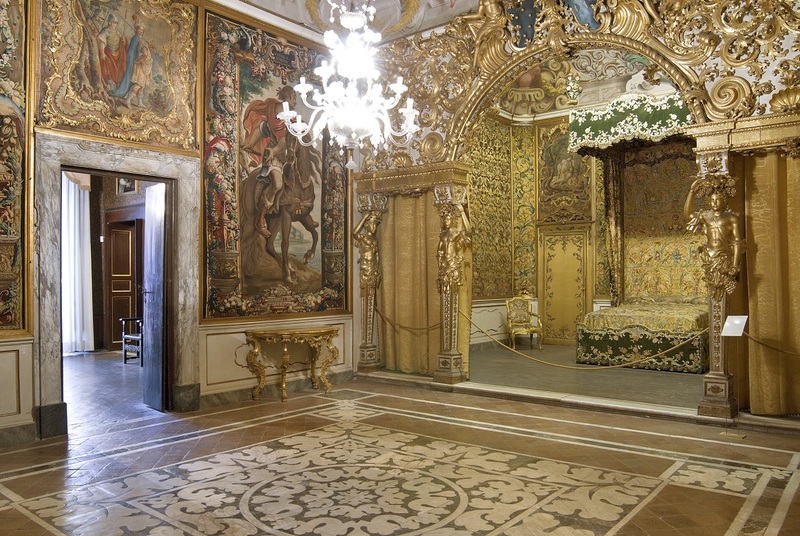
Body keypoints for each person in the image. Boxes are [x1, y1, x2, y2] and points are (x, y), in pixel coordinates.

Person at [683, 179, 744, 297]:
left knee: (724, 290)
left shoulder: (731, 217)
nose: (715, 203)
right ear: (709, 202)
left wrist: (735, 264)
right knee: (713, 288)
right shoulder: (705, 216)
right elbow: (688, 215)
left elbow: (737, 242)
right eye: (712, 200)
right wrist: (692, 192)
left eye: (717, 200)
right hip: (710, 257)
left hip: (724, 257)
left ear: (723, 200)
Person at [437, 203, 471, 293]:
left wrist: (462, 212)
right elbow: (439, 251)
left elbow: (468, 231)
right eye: (445, 220)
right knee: (444, 290)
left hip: (453, 263)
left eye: (448, 219)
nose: (446, 221)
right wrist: (439, 263)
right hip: (444, 264)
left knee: (454, 290)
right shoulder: (443, 234)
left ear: (452, 220)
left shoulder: (457, 232)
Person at [97, 15, 127, 91]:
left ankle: (117, 83)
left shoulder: (117, 31)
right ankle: (108, 83)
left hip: (117, 54)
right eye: (113, 22)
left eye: (116, 23)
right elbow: (101, 41)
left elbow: (121, 40)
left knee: (117, 69)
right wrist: (102, 52)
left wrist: (123, 40)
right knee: (108, 68)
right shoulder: (105, 31)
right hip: (108, 53)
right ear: (109, 22)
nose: (115, 24)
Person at [354, 211, 381, 288]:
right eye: (372, 224)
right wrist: (364, 218)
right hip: (365, 266)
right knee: (365, 290)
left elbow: (377, 254)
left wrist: (376, 267)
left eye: (375, 225)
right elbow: (355, 233)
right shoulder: (363, 238)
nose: (374, 227)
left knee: (372, 290)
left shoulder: (375, 239)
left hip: (373, 267)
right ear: (366, 225)